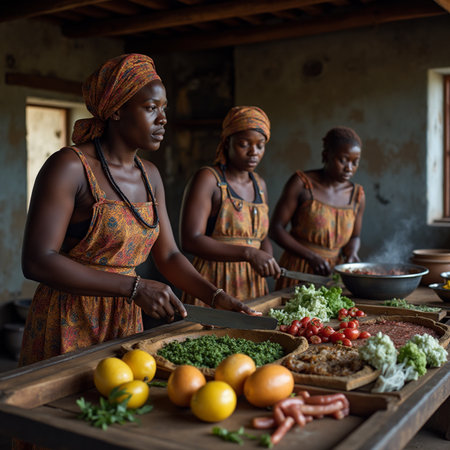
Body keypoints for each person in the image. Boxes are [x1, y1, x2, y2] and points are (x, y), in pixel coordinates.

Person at [18, 54, 259, 367]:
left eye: (164, 109)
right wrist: (133, 287)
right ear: (116, 109)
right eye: (150, 108)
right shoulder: (69, 167)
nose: (163, 120)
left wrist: (215, 297)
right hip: (69, 317)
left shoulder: (150, 175)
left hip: (126, 318)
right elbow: (37, 261)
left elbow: (169, 256)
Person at [179, 106, 280, 306]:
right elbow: (191, 240)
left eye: (260, 146)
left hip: (252, 284)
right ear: (227, 143)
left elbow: (261, 237)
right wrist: (249, 253)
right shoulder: (209, 179)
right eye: (244, 144)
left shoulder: (260, 184)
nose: (254, 152)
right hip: (214, 285)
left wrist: (267, 257)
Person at [270, 126, 365, 290]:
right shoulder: (302, 184)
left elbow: (355, 236)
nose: (349, 168)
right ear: (326, 155)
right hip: (299, 271)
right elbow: (275, 229)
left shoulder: (357, 195)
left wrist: (352, 253)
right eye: (343, 160)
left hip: (333, 276)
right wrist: (311, 256)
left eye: (355, 162)